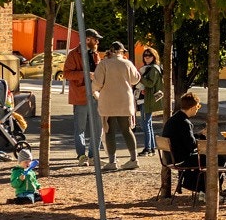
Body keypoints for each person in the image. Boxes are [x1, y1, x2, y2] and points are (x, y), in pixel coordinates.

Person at [92, 42, 141, 172]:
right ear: (122, 52)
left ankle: (112, 161)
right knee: (127, 129)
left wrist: (96, 92)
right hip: (125, 100)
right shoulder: (127, 63)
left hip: (108, 101)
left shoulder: (104, 64)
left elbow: (97, 82)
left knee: (109, 130)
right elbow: (136, 79)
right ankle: (133, 159)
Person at [63, 29, 101, 166]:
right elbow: (66, 74)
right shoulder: (74, 54)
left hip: (96, 95)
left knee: (98, 127)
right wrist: (85, 74)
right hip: (81, 95)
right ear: (87, 39)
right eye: (95, 39)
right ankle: (81, 156)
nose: (97, 42)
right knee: (80, 128)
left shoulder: (95, 54)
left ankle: (93, 156)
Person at [162, 92, 205, 196]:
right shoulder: (185, 123)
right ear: (193, 107)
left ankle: (193, 185)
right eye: (198, 106)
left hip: (171, 158)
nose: (198, 109)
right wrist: (202, 138)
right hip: (181, 158)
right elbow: (191, 146)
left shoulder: (174, 119)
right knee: (211, 159)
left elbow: (184, 138)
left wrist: (198, 135)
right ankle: (200, 187)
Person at [136, 48, 164, 155]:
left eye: (149, 55)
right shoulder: (149, 68)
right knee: (148, 123)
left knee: (145, 124)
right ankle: (151, 148)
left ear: (154, 57)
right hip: (145, 99)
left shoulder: (154, 69)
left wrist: (140, 77)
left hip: (148, 100)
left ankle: (148, 148)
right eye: (145, 55)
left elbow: (150, 84)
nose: (147, 57)